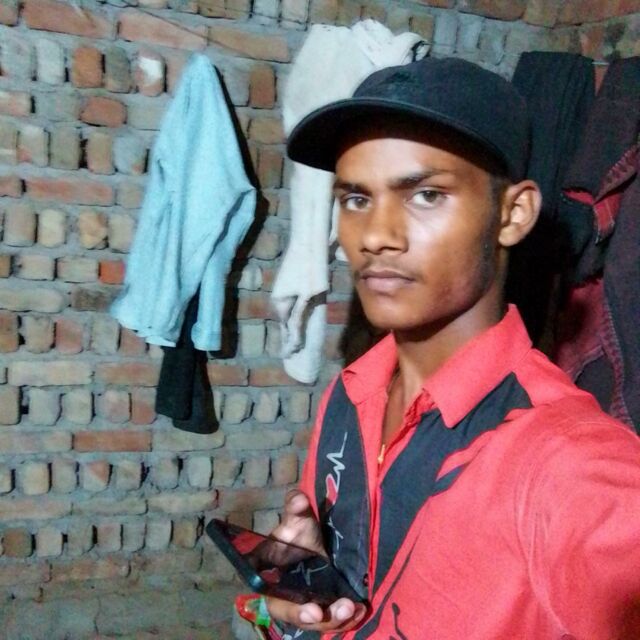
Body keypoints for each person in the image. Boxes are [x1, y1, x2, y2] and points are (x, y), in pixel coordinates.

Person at [259, 57, 640, 639]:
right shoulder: (350, 392)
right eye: (356, 199)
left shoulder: (567, 464)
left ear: (513, 214)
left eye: (426, 195)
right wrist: (296, 599)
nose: (376, 236)